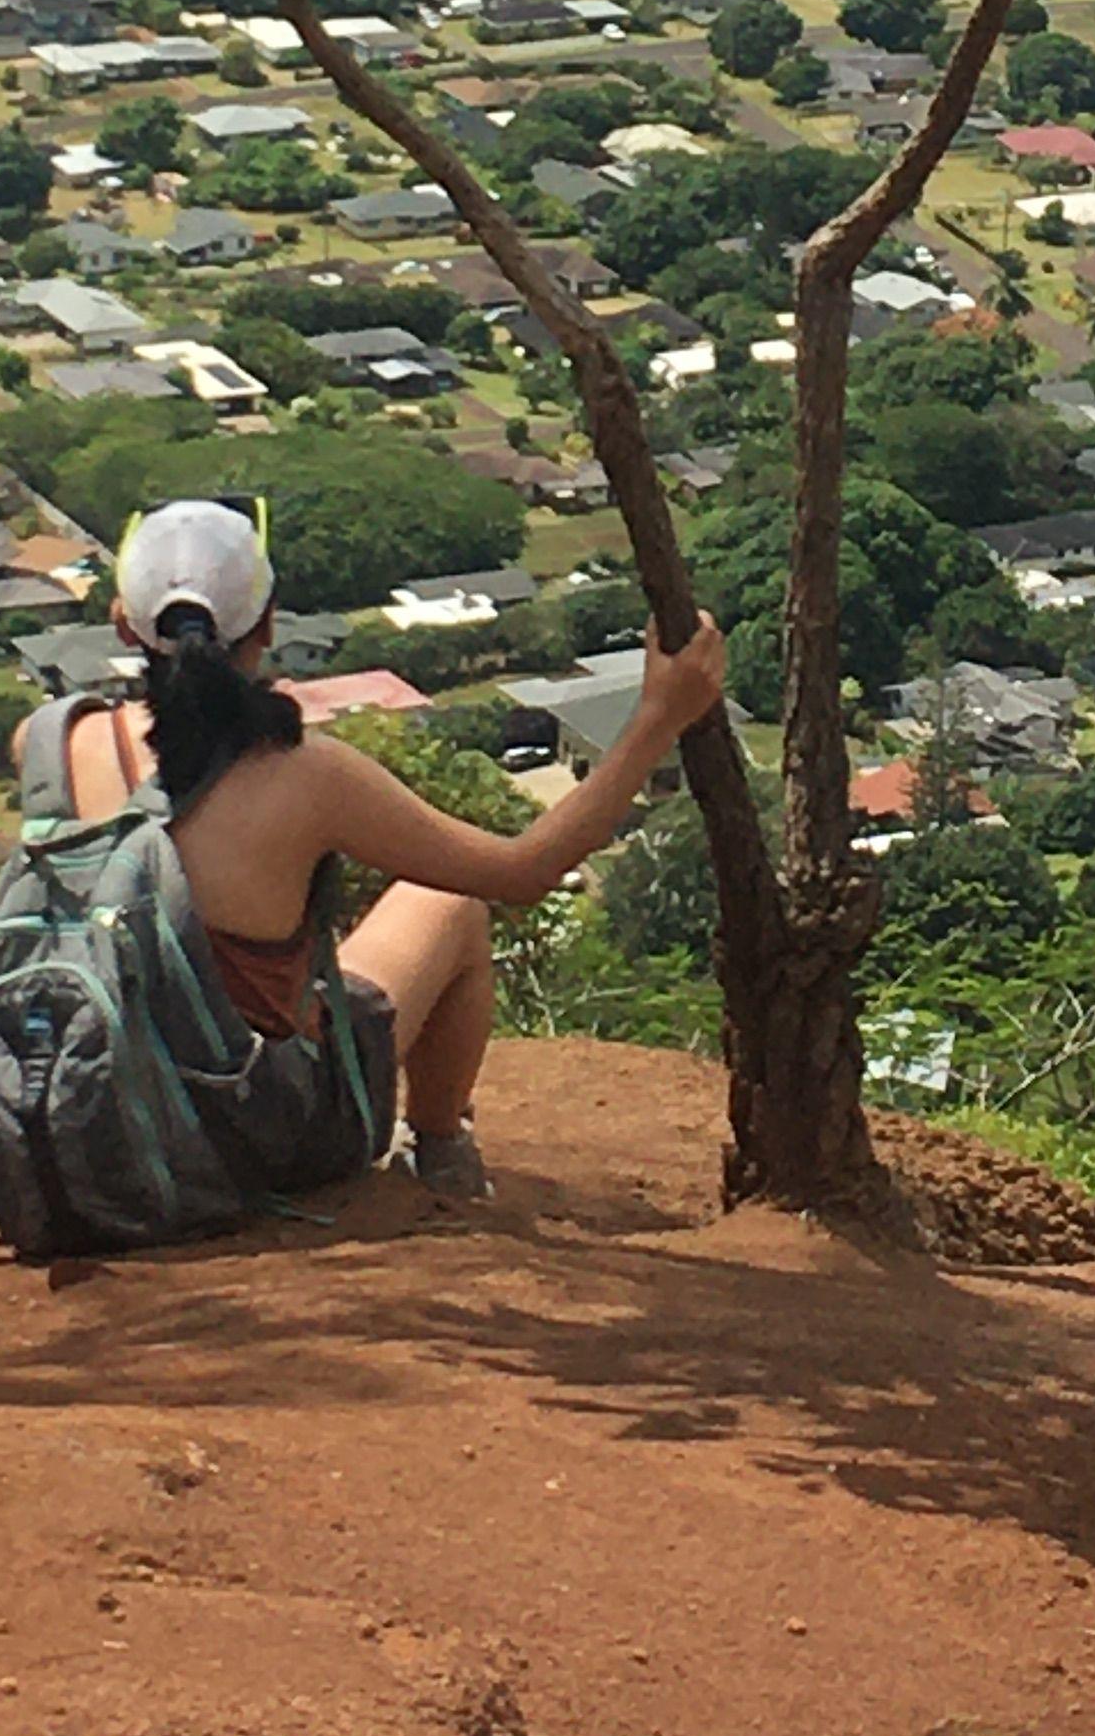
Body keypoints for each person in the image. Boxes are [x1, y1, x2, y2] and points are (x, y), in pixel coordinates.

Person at [57, 499, 726, 1206]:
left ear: (124, 623)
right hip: (247, 1143)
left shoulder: (53, 741)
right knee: (451, 902)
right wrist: (658, 719)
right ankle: (436, 1153)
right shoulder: (307, 775)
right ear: (269, 622)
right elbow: (524, 871)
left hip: (92, 1130)